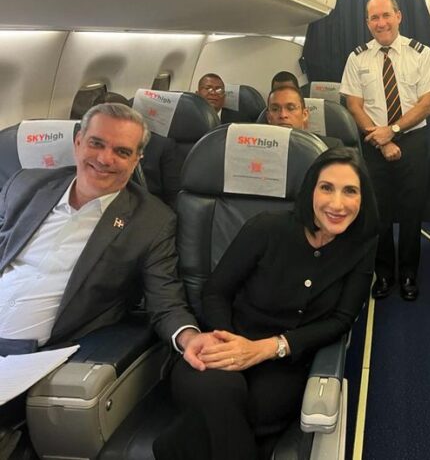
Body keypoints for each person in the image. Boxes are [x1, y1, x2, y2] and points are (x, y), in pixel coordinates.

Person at [0, 104, 215, 451]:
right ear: (78, 142)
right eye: (96, 144)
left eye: (122, 152)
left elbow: (165, 299)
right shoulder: (27, 184)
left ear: (137, 159)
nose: (105, 159)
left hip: (25, 356)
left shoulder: (151, 220)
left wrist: (189, 338)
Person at [153, 147, 379, 460]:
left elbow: (341, 320)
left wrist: (270, 348)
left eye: (350, 191)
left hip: (284, 362)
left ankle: (172, 448)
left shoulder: (362, 246)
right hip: (224, 340)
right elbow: (216, 291)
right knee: (220, 392)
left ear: (363, 198)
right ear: (310, 190)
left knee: (253, 409)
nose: (337, 204)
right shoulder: (267, 228)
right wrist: (228, 341)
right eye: (326, 187)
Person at [340, 0, 430, 301]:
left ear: (398, 16)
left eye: (386, 15)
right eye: (374, 17)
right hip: (373, 143)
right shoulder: (358, 58)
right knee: (378, 213)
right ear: (367, 23)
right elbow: (354, 105)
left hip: (412, 141)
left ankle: (409, 273)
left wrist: (393, 131)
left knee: (412, 212)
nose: (381, 22)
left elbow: (427, 104)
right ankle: (383, 273)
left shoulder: (421, 54)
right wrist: (382, 140)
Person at [266, 86, 343, 148]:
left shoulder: (331, 147)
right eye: (275, 109)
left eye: (291, 108)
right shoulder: (259, 148)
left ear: (305, 115)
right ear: (268, 117)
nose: (283, 115)